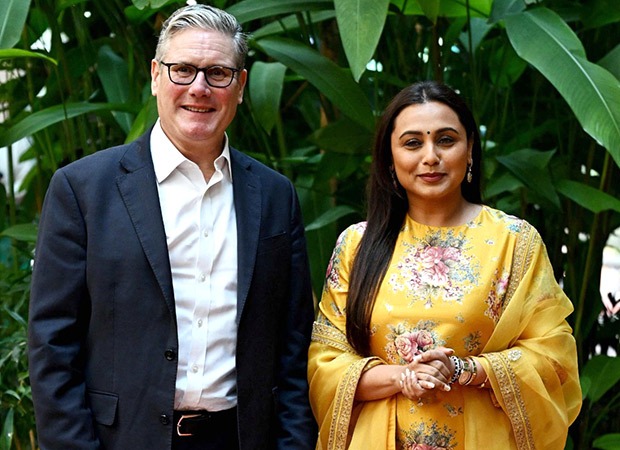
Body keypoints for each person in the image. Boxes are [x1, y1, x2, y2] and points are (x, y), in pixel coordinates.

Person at [28, 4, 317, 450]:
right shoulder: (83, 189)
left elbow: (294, 345)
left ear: (240, 86)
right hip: (122, 440)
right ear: (155, 76)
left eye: (218, 73)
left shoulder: (275, 195)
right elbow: (52, 345)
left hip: (241, 438)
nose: (199, 88)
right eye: (182, 70)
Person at [308, 80, 582, 449]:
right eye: (412, 143)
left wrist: (463, 370)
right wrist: (404, 377)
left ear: (470, 151)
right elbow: (326, 362)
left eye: (446, 140)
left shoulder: (514, 241)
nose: (430, 156)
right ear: (390, 159)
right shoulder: (356, 245)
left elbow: (553, 356)